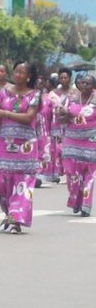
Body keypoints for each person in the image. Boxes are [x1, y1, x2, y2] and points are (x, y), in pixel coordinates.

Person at [0, 61, 41, 234]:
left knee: (22, 183)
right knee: (1, 182)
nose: (18, 75)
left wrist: (5, 114)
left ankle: (16, 220)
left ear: (29, 76)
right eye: (16, 71)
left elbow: (29, 117)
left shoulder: (34, 95)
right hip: (5, 142)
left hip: (26, 145)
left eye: (22, 72)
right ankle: (9, 214)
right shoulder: (3, 92)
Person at [62, 74, 96, 217]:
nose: (84, 85)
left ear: (93, 85)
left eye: (88, 83)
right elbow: (61, 118)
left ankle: (86, 205)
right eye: (82, 83)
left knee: (89, 174)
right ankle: (76, 200)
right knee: (72, 173)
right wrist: (64, 113)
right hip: (72, 140)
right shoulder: (71, 98)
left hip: (90, 140)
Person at [47, 67, 73, 183]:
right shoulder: (53, 94)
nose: (63, 80)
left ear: (69, 78)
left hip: (69, 125)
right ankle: (56, 173)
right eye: (61, 78)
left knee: (67, 149)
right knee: (56, 149)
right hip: (56, 124)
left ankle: (69, 172)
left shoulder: (75, 93)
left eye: (65, 77)